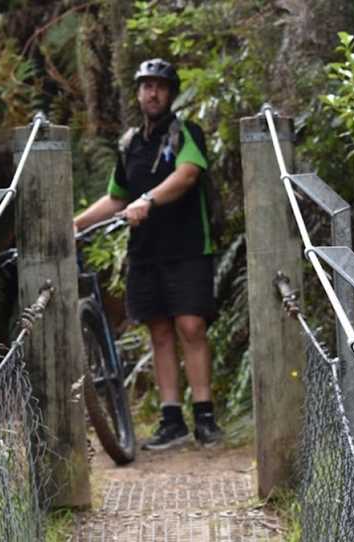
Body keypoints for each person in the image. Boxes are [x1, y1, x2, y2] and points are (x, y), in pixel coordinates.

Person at [73, 58, 223, 450]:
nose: (152, 93)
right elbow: (116, 197)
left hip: (188, 246)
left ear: (170, 93)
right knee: (158, 332)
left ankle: (205, 416)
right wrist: (75, 224)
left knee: (191, 326)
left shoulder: (185, 133)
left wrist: (147, 200)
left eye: (159, 86)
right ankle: (171, 419)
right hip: (145, 252)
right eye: (146, 86)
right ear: (138, 93)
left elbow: (188, 174)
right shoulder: (130, 144)